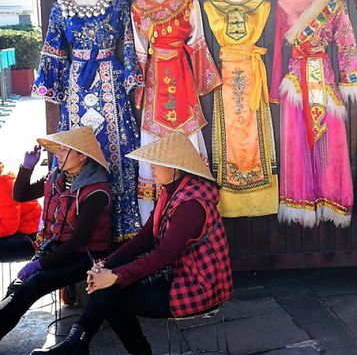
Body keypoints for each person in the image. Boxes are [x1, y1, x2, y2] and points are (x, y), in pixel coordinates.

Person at [32, 131, 233, 355]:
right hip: (176, 272)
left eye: (157, 163)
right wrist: (106, 264)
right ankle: (78, 341)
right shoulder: (172, 192)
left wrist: (116, 276)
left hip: (197, 284)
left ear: (176, 167)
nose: (151, 168)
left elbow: (163, 254)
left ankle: (80, 342)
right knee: (107, 286)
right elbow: (144, 239)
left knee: (110, 293)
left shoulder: (190, 204)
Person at [0, 126, 112, 340]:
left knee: (34, 283)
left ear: (81, 157)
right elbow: (21, 195)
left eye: (64, 150)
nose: (57, 155)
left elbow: (78, 242)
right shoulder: (57, 177)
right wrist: (26, 168)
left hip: (86, 256)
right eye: (58, 150)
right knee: (17, 288)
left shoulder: (96, 190)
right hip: (57, 248)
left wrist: (39, 264)